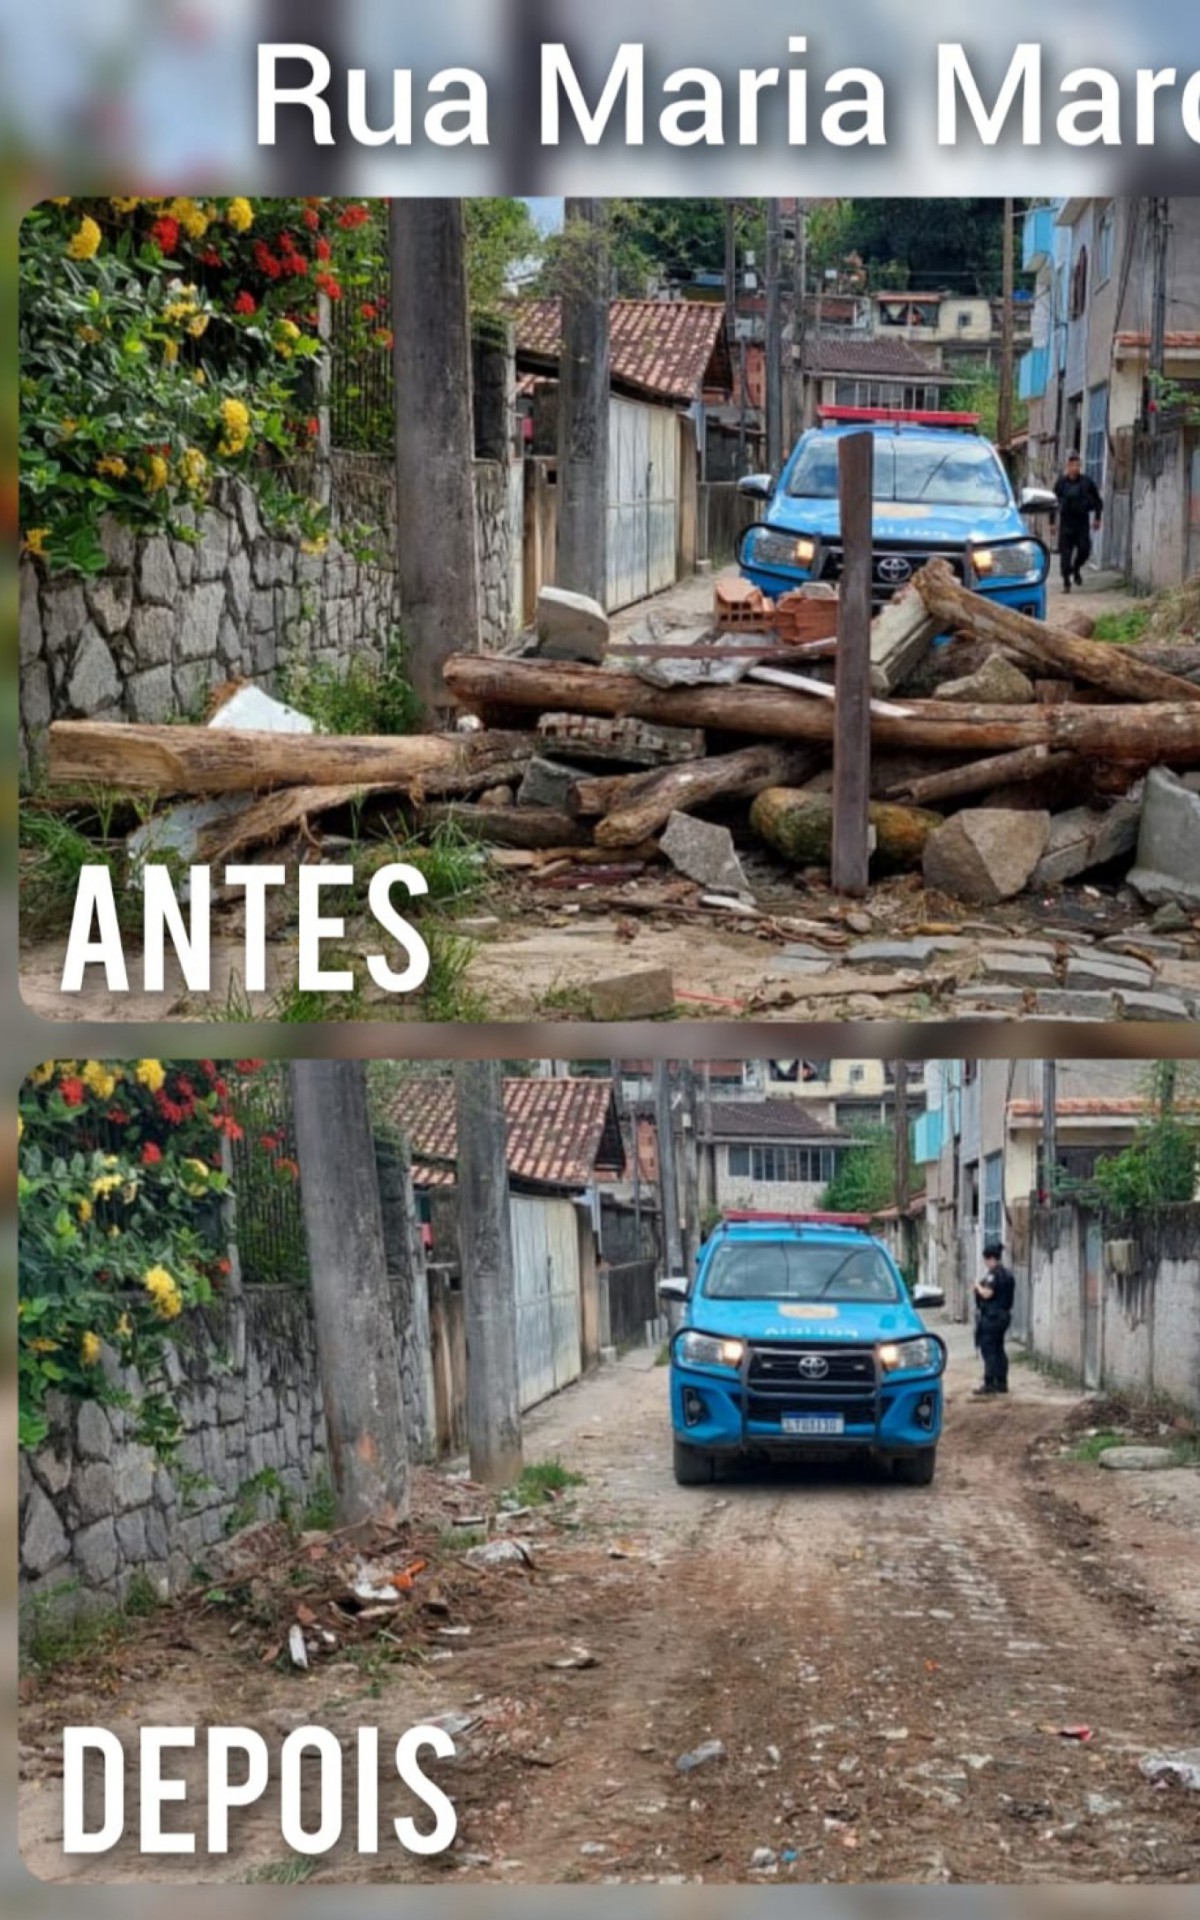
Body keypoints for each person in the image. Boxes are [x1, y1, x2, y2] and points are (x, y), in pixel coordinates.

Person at [1052, 450, 1103, 593]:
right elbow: (1052, 502)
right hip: (1066, 523)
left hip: (1082, 523)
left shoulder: (1087, 482)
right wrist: (1052, 522)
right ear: (1068, 466)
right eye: (1072, 465)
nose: (1075, 468)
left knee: (1085, 550)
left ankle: (1076, 568)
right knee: (1065, 556)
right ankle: (1066, 583)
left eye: (1077, 465)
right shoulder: (1061, 483)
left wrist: (1097, 518)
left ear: (1080, 466)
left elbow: (1098, 500)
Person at [972, 1241, 1015, 1397]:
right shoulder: (1008, 1274)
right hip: (1003, 1316)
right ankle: (1002, 1383)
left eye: (986, 1260)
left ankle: (990, 1383)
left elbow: (987, 1294)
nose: (985, 1263)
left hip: (992, 1317)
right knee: (999, 1349)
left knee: (989, 1350)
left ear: (991, 1259)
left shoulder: (993, 1275)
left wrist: (977, 1287)